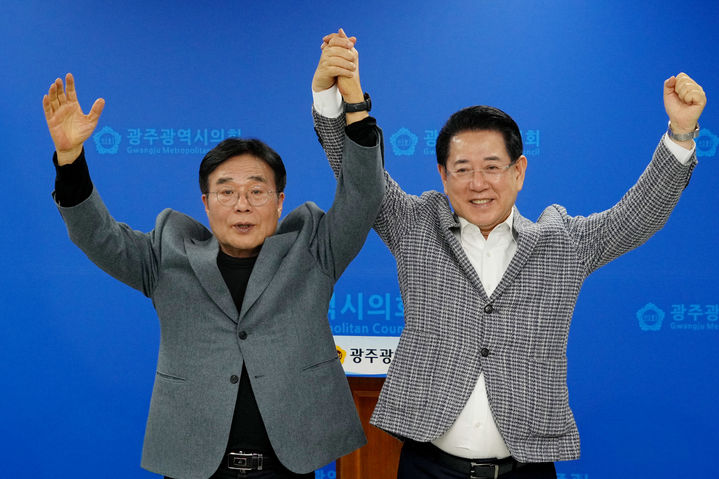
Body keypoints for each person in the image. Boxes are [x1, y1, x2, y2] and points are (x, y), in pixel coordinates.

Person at [312, 32, 706, 479]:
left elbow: (636, 217)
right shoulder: (417, 226)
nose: (478, 183)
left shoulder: (561, 243)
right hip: (428, 466)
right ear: (443, 175)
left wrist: (680, 134)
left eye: (492, 167)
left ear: (519, 171)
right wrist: (336, 96)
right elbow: (358, 175)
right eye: (462, 169)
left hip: (526, 469)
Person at [43, 65, 384, 479]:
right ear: (205, 203)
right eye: (226, 191)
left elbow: (363, 196)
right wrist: (70, 160)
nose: (242, 204)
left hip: (288, 467)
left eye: (256, 191)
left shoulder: (312, 250)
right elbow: (96, 235)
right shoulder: (166, 255)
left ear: (279, 201)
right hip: (192, 466)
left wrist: (355, 107)